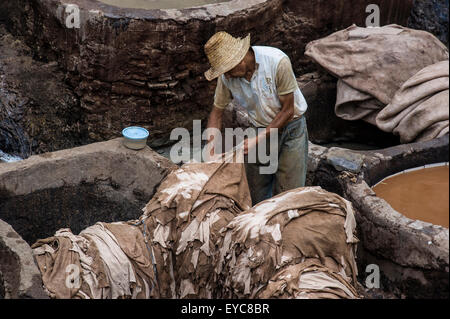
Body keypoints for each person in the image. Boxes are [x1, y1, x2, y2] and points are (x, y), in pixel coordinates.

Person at [204, 31, 309, 205]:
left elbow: (288, 111)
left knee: (289, 194)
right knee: (255, 191)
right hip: (259, 126)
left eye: (228, 71)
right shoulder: (226, 77)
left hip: (291, 128)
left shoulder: (277, 62)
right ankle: (259, 226)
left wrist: (257, 140)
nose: (227, 76)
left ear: (240, 60)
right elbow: (217, 112)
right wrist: (211, 151)